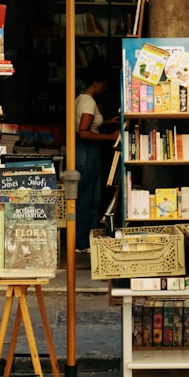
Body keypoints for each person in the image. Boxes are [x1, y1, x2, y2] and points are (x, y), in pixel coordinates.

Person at [75, 58, 119, 252]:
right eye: (104, 84)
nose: (104, 88)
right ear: (96, 83)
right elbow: (83, 131)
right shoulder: (89, 102)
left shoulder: (80, 98)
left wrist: (107, 121)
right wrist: (111, 136)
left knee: (87, 196)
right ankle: (83, 242)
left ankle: (84, 240)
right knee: (88, 199)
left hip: (84, 153)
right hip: (88, 153)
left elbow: (89, 125)